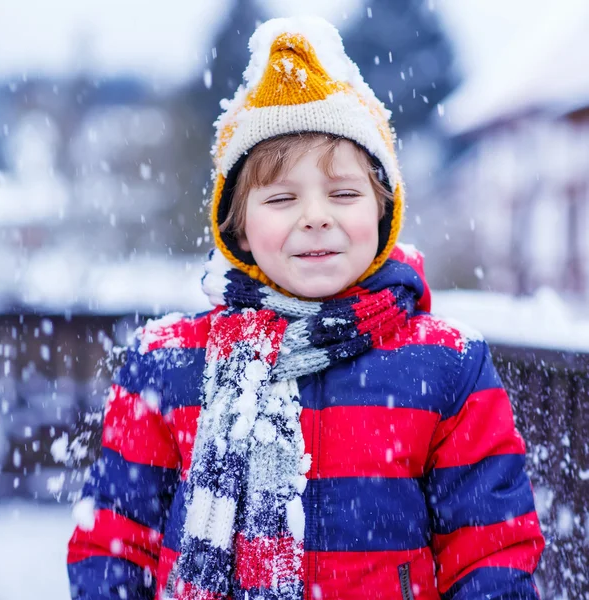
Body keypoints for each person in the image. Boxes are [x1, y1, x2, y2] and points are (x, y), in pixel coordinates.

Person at [67, 16, 545, 600]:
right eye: (282, 197)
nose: (316, 216)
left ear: (382, 211)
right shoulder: (167, 364)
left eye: (343, 193)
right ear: (238, 227)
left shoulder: (448, 366)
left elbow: (490, 547)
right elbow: (116, 539)